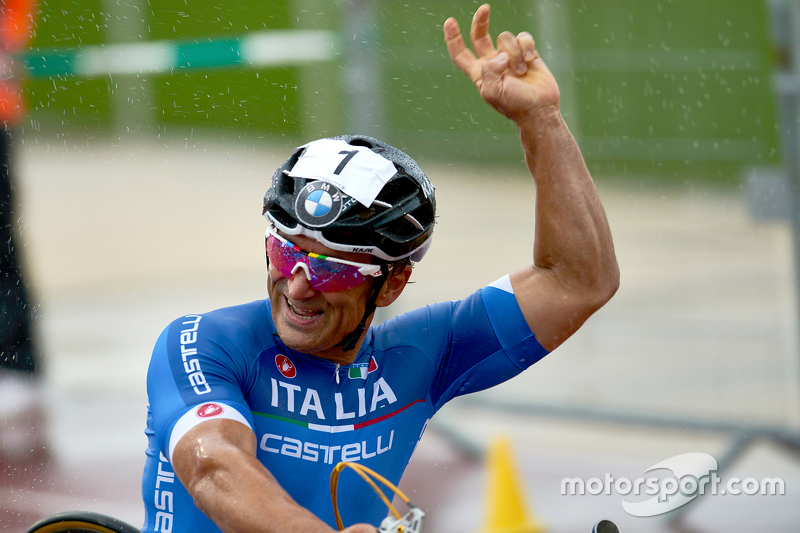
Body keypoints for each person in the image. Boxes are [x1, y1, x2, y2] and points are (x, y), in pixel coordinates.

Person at [140, 4, 619, 533]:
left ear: (392, 283)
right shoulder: (208, 344)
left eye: (330, 268)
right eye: (286, 252)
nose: (297, 285)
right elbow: (216, 470)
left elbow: (577, 282)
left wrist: (541, 120)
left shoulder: (422, 355)